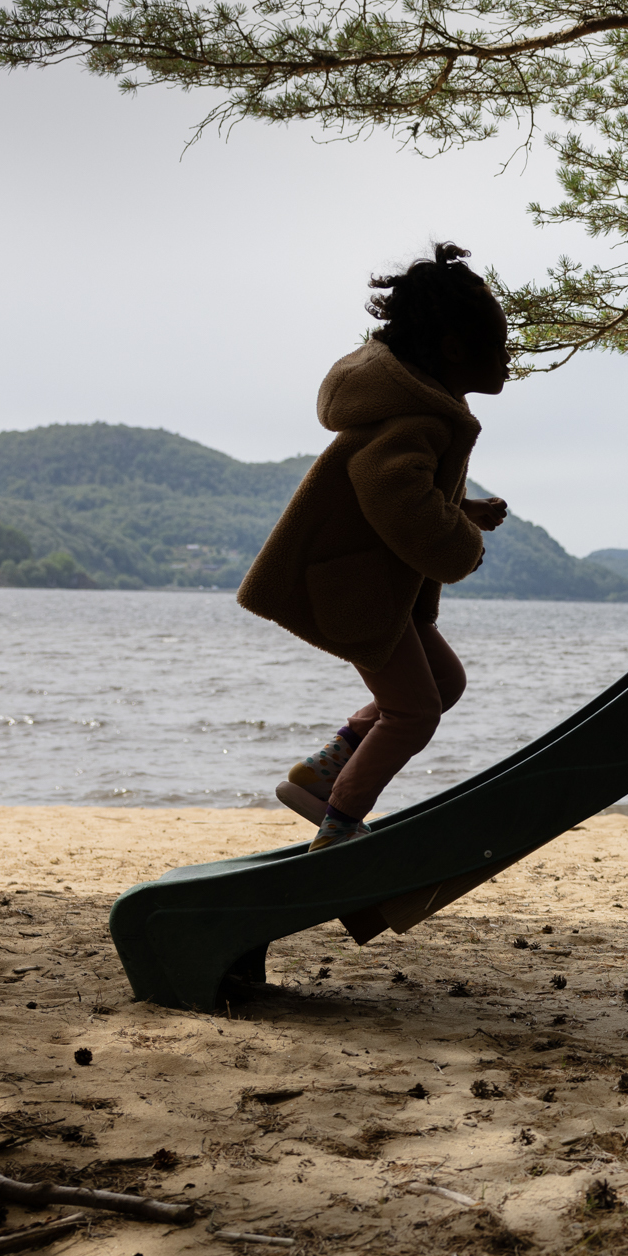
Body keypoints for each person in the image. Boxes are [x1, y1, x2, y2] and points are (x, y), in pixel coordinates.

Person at [237, 243, 512, 851]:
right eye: (498, 347)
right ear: (454, 351)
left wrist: (462, 508)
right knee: (414, 712)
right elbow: (392, 495)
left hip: (364, 583)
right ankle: (338, 825)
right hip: (355, 589)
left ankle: (323, 769)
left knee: (444, 685)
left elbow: (394, 493)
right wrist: (460, 540)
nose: (509, 359)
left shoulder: (414, 410)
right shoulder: (419, 419)